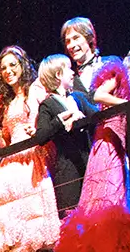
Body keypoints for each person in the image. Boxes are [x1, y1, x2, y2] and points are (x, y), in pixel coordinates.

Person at [0, 46, 62, 252]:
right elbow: (7, 140)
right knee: (16, 228)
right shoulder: (6, 102)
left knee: (33, 223)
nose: (8, 71)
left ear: (23, 65)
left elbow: (46, 120)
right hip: (10, 165)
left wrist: (35, 129)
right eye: (3, 68)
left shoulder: (35, 90)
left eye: (12, 65)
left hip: (30, 161)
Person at [55, 53, 130, 252]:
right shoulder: (117, 73)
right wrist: (129, 104)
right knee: (105, 204)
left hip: (115, 148)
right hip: (107, 146)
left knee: (111, 205)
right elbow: (100, 95)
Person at [33, 55, 90, 215]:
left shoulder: (77, 98)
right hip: (67, 170)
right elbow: (41, 136)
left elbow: (96, 115)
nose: (73, 73)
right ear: (58, 74)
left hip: (87, 163)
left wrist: (81, 118)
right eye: (69, 69)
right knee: (71, 216)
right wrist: (59, 120)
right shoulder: (48, 104)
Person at [62, 16, 105, 117]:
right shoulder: (69, 78)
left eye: (76, 38)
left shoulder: (109, 64)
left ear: (89, 38)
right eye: (68, 41)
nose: (71, 45)